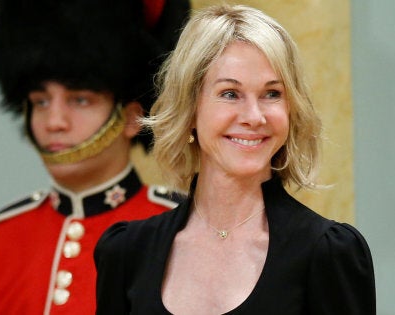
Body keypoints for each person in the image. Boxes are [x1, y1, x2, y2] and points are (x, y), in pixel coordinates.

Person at [94, 4, 376, 315]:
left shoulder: (328, 252)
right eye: (230, 93)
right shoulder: (127, 252)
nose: (254, 117)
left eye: (272, 94)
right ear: (189, 109)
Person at [0, 0, 189, 314]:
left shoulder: (184, 232)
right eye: (40, 102)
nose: (54, 122)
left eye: (79, 100)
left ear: (132, 119)